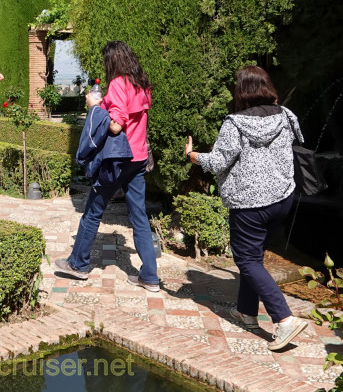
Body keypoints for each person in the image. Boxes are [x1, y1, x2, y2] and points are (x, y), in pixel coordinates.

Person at [185, 65, 309, 351]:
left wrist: (192, 155)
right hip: (282, 199)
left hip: (249, 204)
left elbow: (217, 163)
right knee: (252, 257)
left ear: (241, 92)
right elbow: (298, 141)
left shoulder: (234, 123)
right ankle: (246, 313)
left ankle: (285, 320)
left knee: (248, 260)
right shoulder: (287, 115)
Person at [55, 41, 161, 292]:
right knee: (139, 216)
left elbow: (116, 125)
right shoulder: (142, 85)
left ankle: (78, 264)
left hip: (118, 161)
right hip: (138, 159)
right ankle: (150, 276)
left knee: (93, 209)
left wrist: (94, 107)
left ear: (112, 61)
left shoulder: (118, 84)